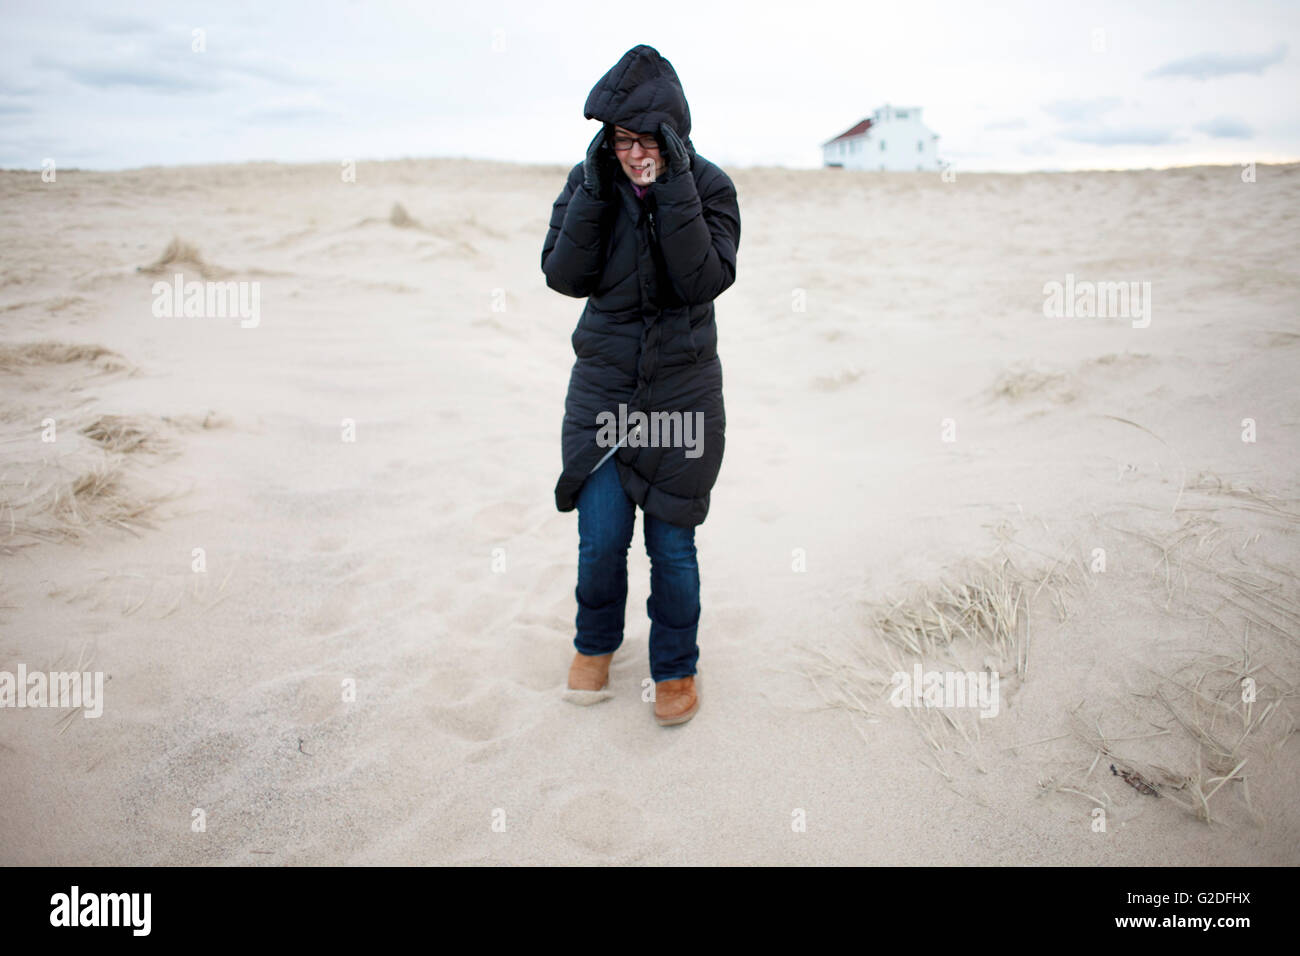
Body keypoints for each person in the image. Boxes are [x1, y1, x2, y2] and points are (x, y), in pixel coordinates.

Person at [540, 45, 741, 726]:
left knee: (672, 547)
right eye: (622, 140)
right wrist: (598, 192)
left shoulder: (710, 186)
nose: (634, 154)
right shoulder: (589, 179)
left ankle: (676, 667)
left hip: (682, 398)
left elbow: (704, 280)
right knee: (600, 540)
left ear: (675, 136)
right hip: (603, 390)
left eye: (647, 140)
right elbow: (564, 277)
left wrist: (675, 188)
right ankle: (594, 648)